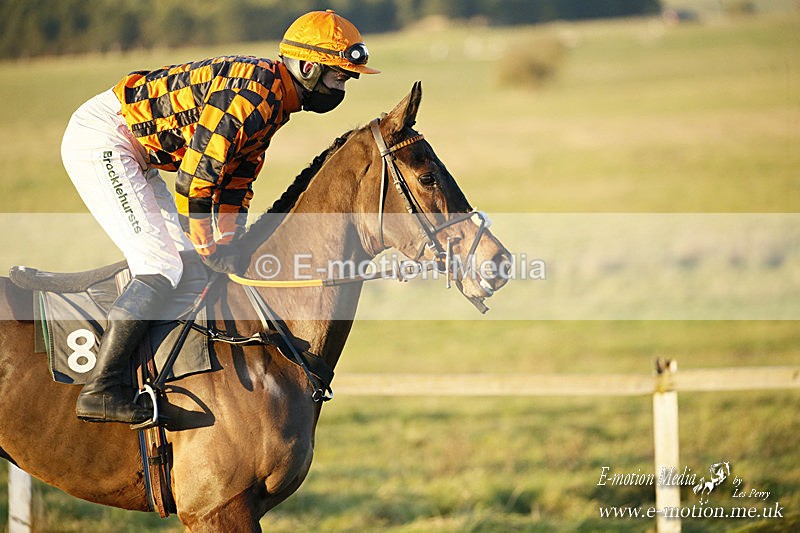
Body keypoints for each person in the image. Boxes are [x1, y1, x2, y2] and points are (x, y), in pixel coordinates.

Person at [61, 10, 379, 424]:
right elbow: (196, 178)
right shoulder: (256, 94)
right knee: (160, 264)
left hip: (139, 152)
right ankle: (101, 389)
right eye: (339, 75)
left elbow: (234, 182)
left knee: (184, 263)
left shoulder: (274, 102)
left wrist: (229, 244)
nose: (344, 85)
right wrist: (210, 246)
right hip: (106, 139)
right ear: (308, 67)